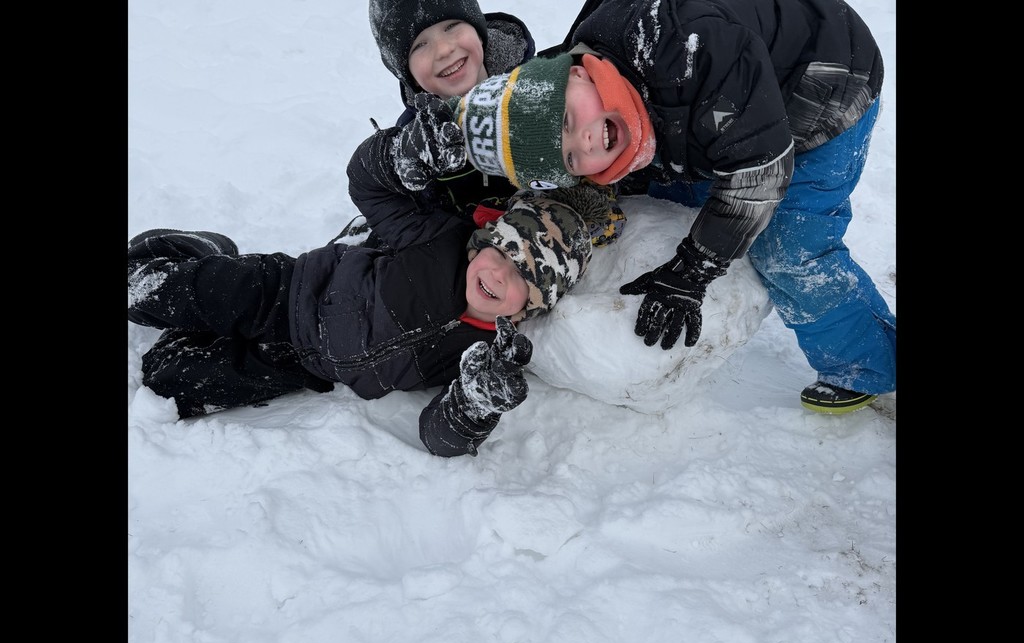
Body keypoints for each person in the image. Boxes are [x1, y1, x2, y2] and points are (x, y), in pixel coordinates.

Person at [451, 0, 897, 414]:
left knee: (787, 247)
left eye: (567, 121)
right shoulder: (592, 87)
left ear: (578, 73)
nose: (584, 140)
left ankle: (867, 364)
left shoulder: (686, 48)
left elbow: (758, 173)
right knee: (667, 196)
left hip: (823, 85)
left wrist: (693, 270)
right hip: (725, 109)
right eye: (570, 158)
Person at [127, 184, 613, 458]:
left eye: (522, 279)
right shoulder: (437, 240)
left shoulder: (482, 358)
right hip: (284, 292)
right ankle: (200, 252)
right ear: (483, 242)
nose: (499, 276)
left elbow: (438, 437)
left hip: (305, 367)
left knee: (167, 384)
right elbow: (369, 182)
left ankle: (195, 329)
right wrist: (402, 154)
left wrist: (474, 404)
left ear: (529, 307)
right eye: (501, 255)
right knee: (154, 291)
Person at [348, 0, 626, 251]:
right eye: (419, 45)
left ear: (477, 28)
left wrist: (587, 195)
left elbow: (598, 136)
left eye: (452, 25)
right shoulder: (420, 140)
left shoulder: (541, 88)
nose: (444, 49)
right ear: (406, 72)